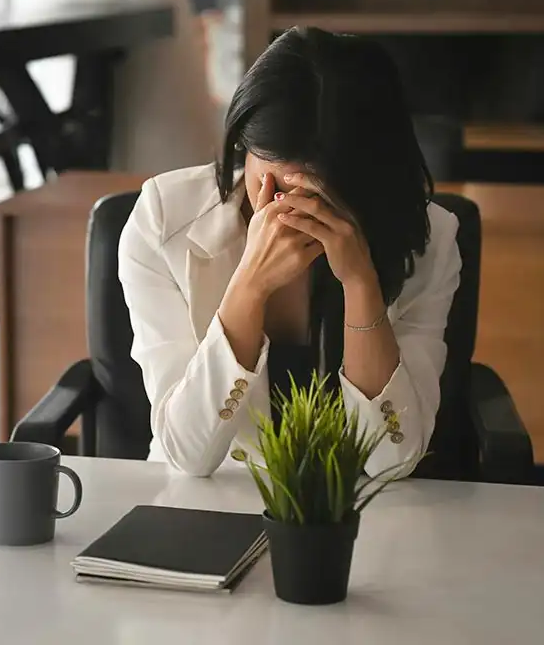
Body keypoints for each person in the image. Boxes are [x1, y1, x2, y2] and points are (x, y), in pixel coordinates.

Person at [118, 27, 461, 478]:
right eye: (276, 182)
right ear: (244, 144)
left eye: (325, 191)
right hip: (210, 501)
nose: (295, 208)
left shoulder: (428, 237)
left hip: (355, 506)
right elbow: (187, 454)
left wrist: (361, 284)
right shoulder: (165, 220)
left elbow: (389, 463)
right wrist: (249, 286)